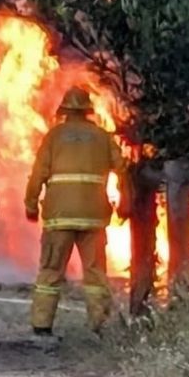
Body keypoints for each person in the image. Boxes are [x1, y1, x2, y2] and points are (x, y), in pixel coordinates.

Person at [24, 86, 131, 343]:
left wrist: (30, 204)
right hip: (93, 216)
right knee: (95, 274)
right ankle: (99, 326)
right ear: (87, 111)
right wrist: (126, 200)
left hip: (59, 216)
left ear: (65, 112)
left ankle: (42, 327)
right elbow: (123, 170)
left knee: (51, 271)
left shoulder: (54, 137)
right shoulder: (102, 137)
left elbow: (38, 173)